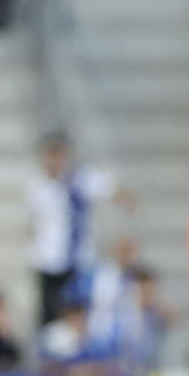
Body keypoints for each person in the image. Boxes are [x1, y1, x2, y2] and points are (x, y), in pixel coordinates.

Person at [25, 133, 127, 326]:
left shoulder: (79, 179)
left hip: (77, 260)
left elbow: (110, 189)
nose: (54, 161)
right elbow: (33, 220)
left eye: (57, 154)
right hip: (48, 261)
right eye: (50, 155)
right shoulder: (37, 184)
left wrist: (125, 205)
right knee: (50, 316)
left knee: (77, 313)